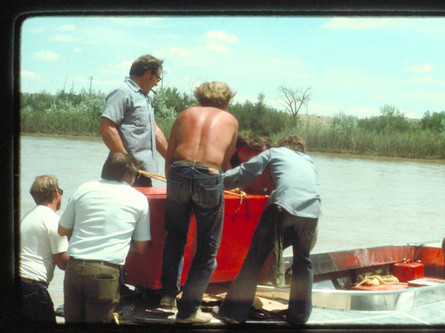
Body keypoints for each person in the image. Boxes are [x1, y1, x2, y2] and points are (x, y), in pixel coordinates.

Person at [216, 135, 321, 325]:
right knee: (303, 261)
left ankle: (233, 312)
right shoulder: (308, 160)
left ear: (283, 146)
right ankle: (299, 316)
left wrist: (214, 182)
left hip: (282, 206)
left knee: (255, 257)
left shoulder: (275, 152)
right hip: (312, 212)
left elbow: (245, 173)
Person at [159, 81, 238, 324]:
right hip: (209, 175)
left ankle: (167, 296)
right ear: (225, 102)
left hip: (178, 173)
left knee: (175, 236)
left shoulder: (185, 114)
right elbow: (225, 164)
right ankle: (189, 310)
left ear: (199, 98)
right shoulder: (230, 120)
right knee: (207, 249)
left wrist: (174, 184)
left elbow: (170, 157)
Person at [57, 153, 151, 323]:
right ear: (127, 175)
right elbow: (142, 247)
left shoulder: (83, 189)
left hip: (74, 268)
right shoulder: (139, 199)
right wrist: (118, 243)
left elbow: (62, 230)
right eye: (136, 175)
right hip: (105, 273)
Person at [99, 54, 168, 187]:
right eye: (157, 78)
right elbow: (106, 128)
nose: (156, 84)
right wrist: (128, 164)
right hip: (123, 174)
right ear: (148, 73)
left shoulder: (143, 96)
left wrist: (174, 160)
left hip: (141, 174)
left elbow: (154, 130)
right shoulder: (122, 92)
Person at [20, 175, 69, 323]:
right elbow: (63, 263)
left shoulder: (26, 217)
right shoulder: (53, 219)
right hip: (33, 288)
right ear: (56, 193)